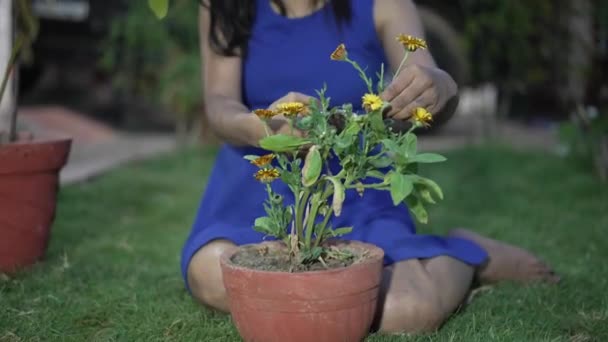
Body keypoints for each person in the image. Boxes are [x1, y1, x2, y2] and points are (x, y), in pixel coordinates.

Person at [182, 0, 560, 334]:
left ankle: (465, 254)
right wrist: (261, 127)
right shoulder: (225, 5)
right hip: (261, 183)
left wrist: (440, 86)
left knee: (407, 309)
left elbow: (427, 78)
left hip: (355, 188)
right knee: (211, 272)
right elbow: (219, 106)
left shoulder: (381, 3)